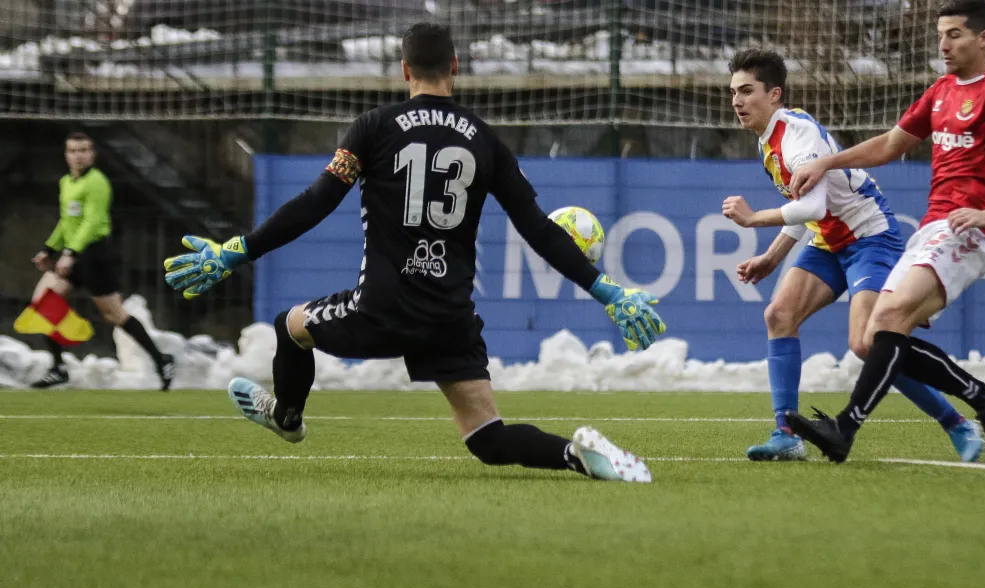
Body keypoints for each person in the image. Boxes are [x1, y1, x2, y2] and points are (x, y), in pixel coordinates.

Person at [162, 22, 666, 483]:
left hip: (380, 307)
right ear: (455, 67)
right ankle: (577, 456)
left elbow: (316, 202)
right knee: (487, 437)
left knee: (288, 326)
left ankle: (287, 420)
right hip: (447, 314)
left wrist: (235, 251)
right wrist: (607, 290)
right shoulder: (485, 140)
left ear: (404, 69)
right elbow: (538, 229)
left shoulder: (374, 127)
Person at [784, 0, 985, 463]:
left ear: (984, 38)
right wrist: (827, 160)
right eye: (940, 35)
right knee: (872, 340)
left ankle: (844, 429)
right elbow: (891, 144)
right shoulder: (941, 91)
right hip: (932, 230)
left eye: (954, 35)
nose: (943, 44)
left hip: (964, 232)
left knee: (888, 321)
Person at [721, 48, 983, 463]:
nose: (737, 100)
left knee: (868, 343)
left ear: (774, 94)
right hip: (829, 241)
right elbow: (807, 207)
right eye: (733, 91)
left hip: (869, 237)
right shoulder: (768, 142)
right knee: (778, 315)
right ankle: (786, 433)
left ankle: (958, 423)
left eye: (746, 91)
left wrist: (754, 221)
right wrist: (773, 256)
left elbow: (812, 208)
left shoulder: (795, 134)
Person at [29, 132, 175, 390]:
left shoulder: (97, 183)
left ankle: (162, 359)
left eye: (84, 150)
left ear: (92, 154)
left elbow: (92, 221)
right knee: (43, 302)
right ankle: (58, 367)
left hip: (94, 256)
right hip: (72, 255)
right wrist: (49, 249)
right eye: (73, 151)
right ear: (66, 155)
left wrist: (70, 253)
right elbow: (67, 222)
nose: (78, 155)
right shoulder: (66, 182)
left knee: (114, 314)